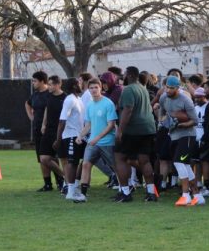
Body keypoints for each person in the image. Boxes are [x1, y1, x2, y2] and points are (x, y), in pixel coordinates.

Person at [115, 66, 158, 203]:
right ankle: (151, 192)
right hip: (148, 128)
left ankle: (125, 193)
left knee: (120, 158)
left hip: (133, 129)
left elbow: (128, 109)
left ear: (129, 75)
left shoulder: (128, 89)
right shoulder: (142, 88)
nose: (123, 76)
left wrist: (120, 130)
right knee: (144, 160)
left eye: (124, 74)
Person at [159, 76, 202, 206]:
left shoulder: (186, 100)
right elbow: (161, 115)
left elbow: (195, 121)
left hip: (187, 135)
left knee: (178, 162)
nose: (168, 90)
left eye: (172, 88)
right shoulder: (163, 98)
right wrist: (165, 120)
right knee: (186, 165)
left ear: (178, 88)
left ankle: (185, 195)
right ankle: (198, 195)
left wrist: (181, 123)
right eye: (167, 87)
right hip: (173, 135)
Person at [74, 78, 118, 202]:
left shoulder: (108, 103)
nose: (93, 90)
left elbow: (111, 125)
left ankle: (124, 189)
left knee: (115, 166)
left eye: (96, 87)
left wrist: (97, 138)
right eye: (91, 88)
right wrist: (80, 136)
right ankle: (83, 194)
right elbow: (88, 124)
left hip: (107, 142)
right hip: (92, 142)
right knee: (86, 164)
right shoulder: (90, 105)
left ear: (101, 88)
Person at [57, 78, 87, 202]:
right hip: (71, 136)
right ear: (74, 86)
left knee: (81, 162)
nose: (81, 84)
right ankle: (70, 191)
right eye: (79, 83)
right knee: (72, 162)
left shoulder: (78, 99)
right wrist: (58, 139)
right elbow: (62, 120)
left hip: (81, 136)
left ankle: (74, 188)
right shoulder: (69, 100)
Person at [25, 70, 55, 192]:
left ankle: (61, 180)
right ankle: (47, 183)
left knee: (51, 157)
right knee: (41, 158)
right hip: (38, 130)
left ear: (42, 81)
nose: (33, 83)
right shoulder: (35, 95)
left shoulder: (50, 93)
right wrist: (32, 117)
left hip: (50, 130)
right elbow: (27, 104)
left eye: (35, 81)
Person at [39, 75, 67, 192]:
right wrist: (43, 124)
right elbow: (47, 109)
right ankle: (64, 176)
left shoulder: (66, 98)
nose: (48, 86)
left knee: (63, 159)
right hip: (48, 131)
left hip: (61, 132)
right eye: (48, 84)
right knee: (44, 158)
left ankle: (68, 183)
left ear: (58, 85)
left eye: (50, 84)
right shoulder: (48, 96)